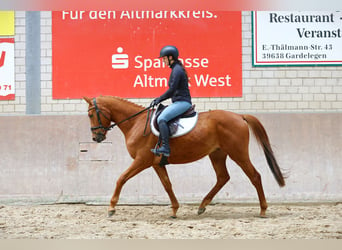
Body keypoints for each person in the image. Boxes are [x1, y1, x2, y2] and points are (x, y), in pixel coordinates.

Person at [150, 45, 192, 157]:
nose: (163, 61)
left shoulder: (177, 70)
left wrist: (159, 99)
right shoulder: (176, 69)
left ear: (170, 57)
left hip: (183, 102)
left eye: (164, 58)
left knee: (162, 118)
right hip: (178, 102)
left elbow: (172, 90)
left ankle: (165, 148)